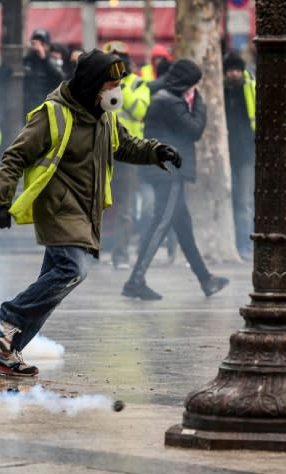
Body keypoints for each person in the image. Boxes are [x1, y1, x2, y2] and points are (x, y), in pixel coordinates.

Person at [0, 49, 181, 376]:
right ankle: (7, 317)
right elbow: (14, 157)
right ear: (92, 85)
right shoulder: (53, 114)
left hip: (86, 212)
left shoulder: (103, 116)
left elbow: (126, 145)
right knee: (73, 269)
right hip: (60, 208)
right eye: (111, 84)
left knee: (51, 288)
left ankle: (6, 353)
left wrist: (156, 151)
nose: (116, 91)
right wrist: (0, 201)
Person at [122, 59, 229, 301]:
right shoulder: (169, 101)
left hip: (165, 166)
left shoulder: (163, 94)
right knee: (161, 222)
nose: (194, 89)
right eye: (193, 85)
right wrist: (199, 101)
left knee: (183, 226)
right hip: (169, 169)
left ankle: (206, 279)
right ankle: (135, 280)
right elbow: (194, 129)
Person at [102, 40, 151, 270]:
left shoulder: (138, 84)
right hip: (100, 150)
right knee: (94, 203)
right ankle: (91, 251)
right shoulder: (95, 84)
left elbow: (141, 111)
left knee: (125, 207)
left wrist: (118, 87)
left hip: (127, 154)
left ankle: (120, 254)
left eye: (120, 57)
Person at [222, 52, 256, 259]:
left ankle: (244, 244)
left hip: (245, 154)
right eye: (231, 69)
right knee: (230, 200)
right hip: (226, 155)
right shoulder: (221, 91)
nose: (234, 73)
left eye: (237, 69)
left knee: (243, 202)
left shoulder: (250, 89)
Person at [22, 28, 65, 116]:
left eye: (42, 44)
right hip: (28, 105)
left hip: (46, 105)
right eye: (35, 43)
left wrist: (45, 58)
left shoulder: (51, 60)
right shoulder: (28, 60)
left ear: (48, 46)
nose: (38, 47)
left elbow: (60, 78)